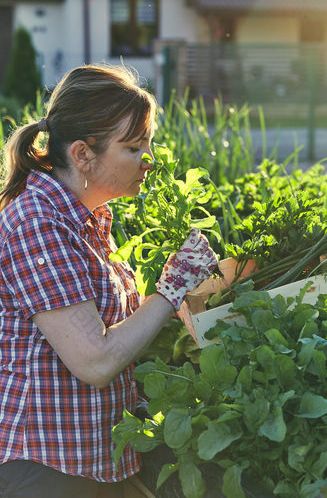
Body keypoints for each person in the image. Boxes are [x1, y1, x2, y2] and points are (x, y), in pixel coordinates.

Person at [0, 64, 217, 498]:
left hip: (94, 461)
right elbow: (94, 361)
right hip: (44, 467)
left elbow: (117, 335)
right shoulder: (37, 222)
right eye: (134, 147)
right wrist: (171, 287)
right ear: (83, 154)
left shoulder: (88, 217)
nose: (148, 160)